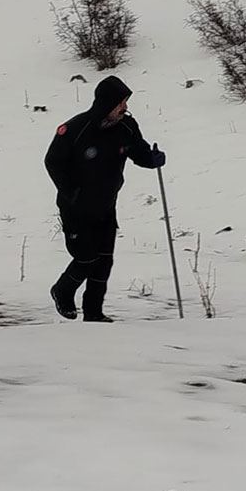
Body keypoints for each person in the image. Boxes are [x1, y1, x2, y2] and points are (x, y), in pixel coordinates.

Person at [44, 76, 165, 323]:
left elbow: (138, 152)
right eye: (121, 103)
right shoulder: (76, 129)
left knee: (104, 261)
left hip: (106, 206)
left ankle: (94, 313)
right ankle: (63, 291)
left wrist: (152, 159)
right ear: (106, 103)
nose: (125, 108)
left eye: (126, 102)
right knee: (86, 257)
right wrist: (71, 192)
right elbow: (53, 161)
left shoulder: (126, 128)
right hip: (75, 207)